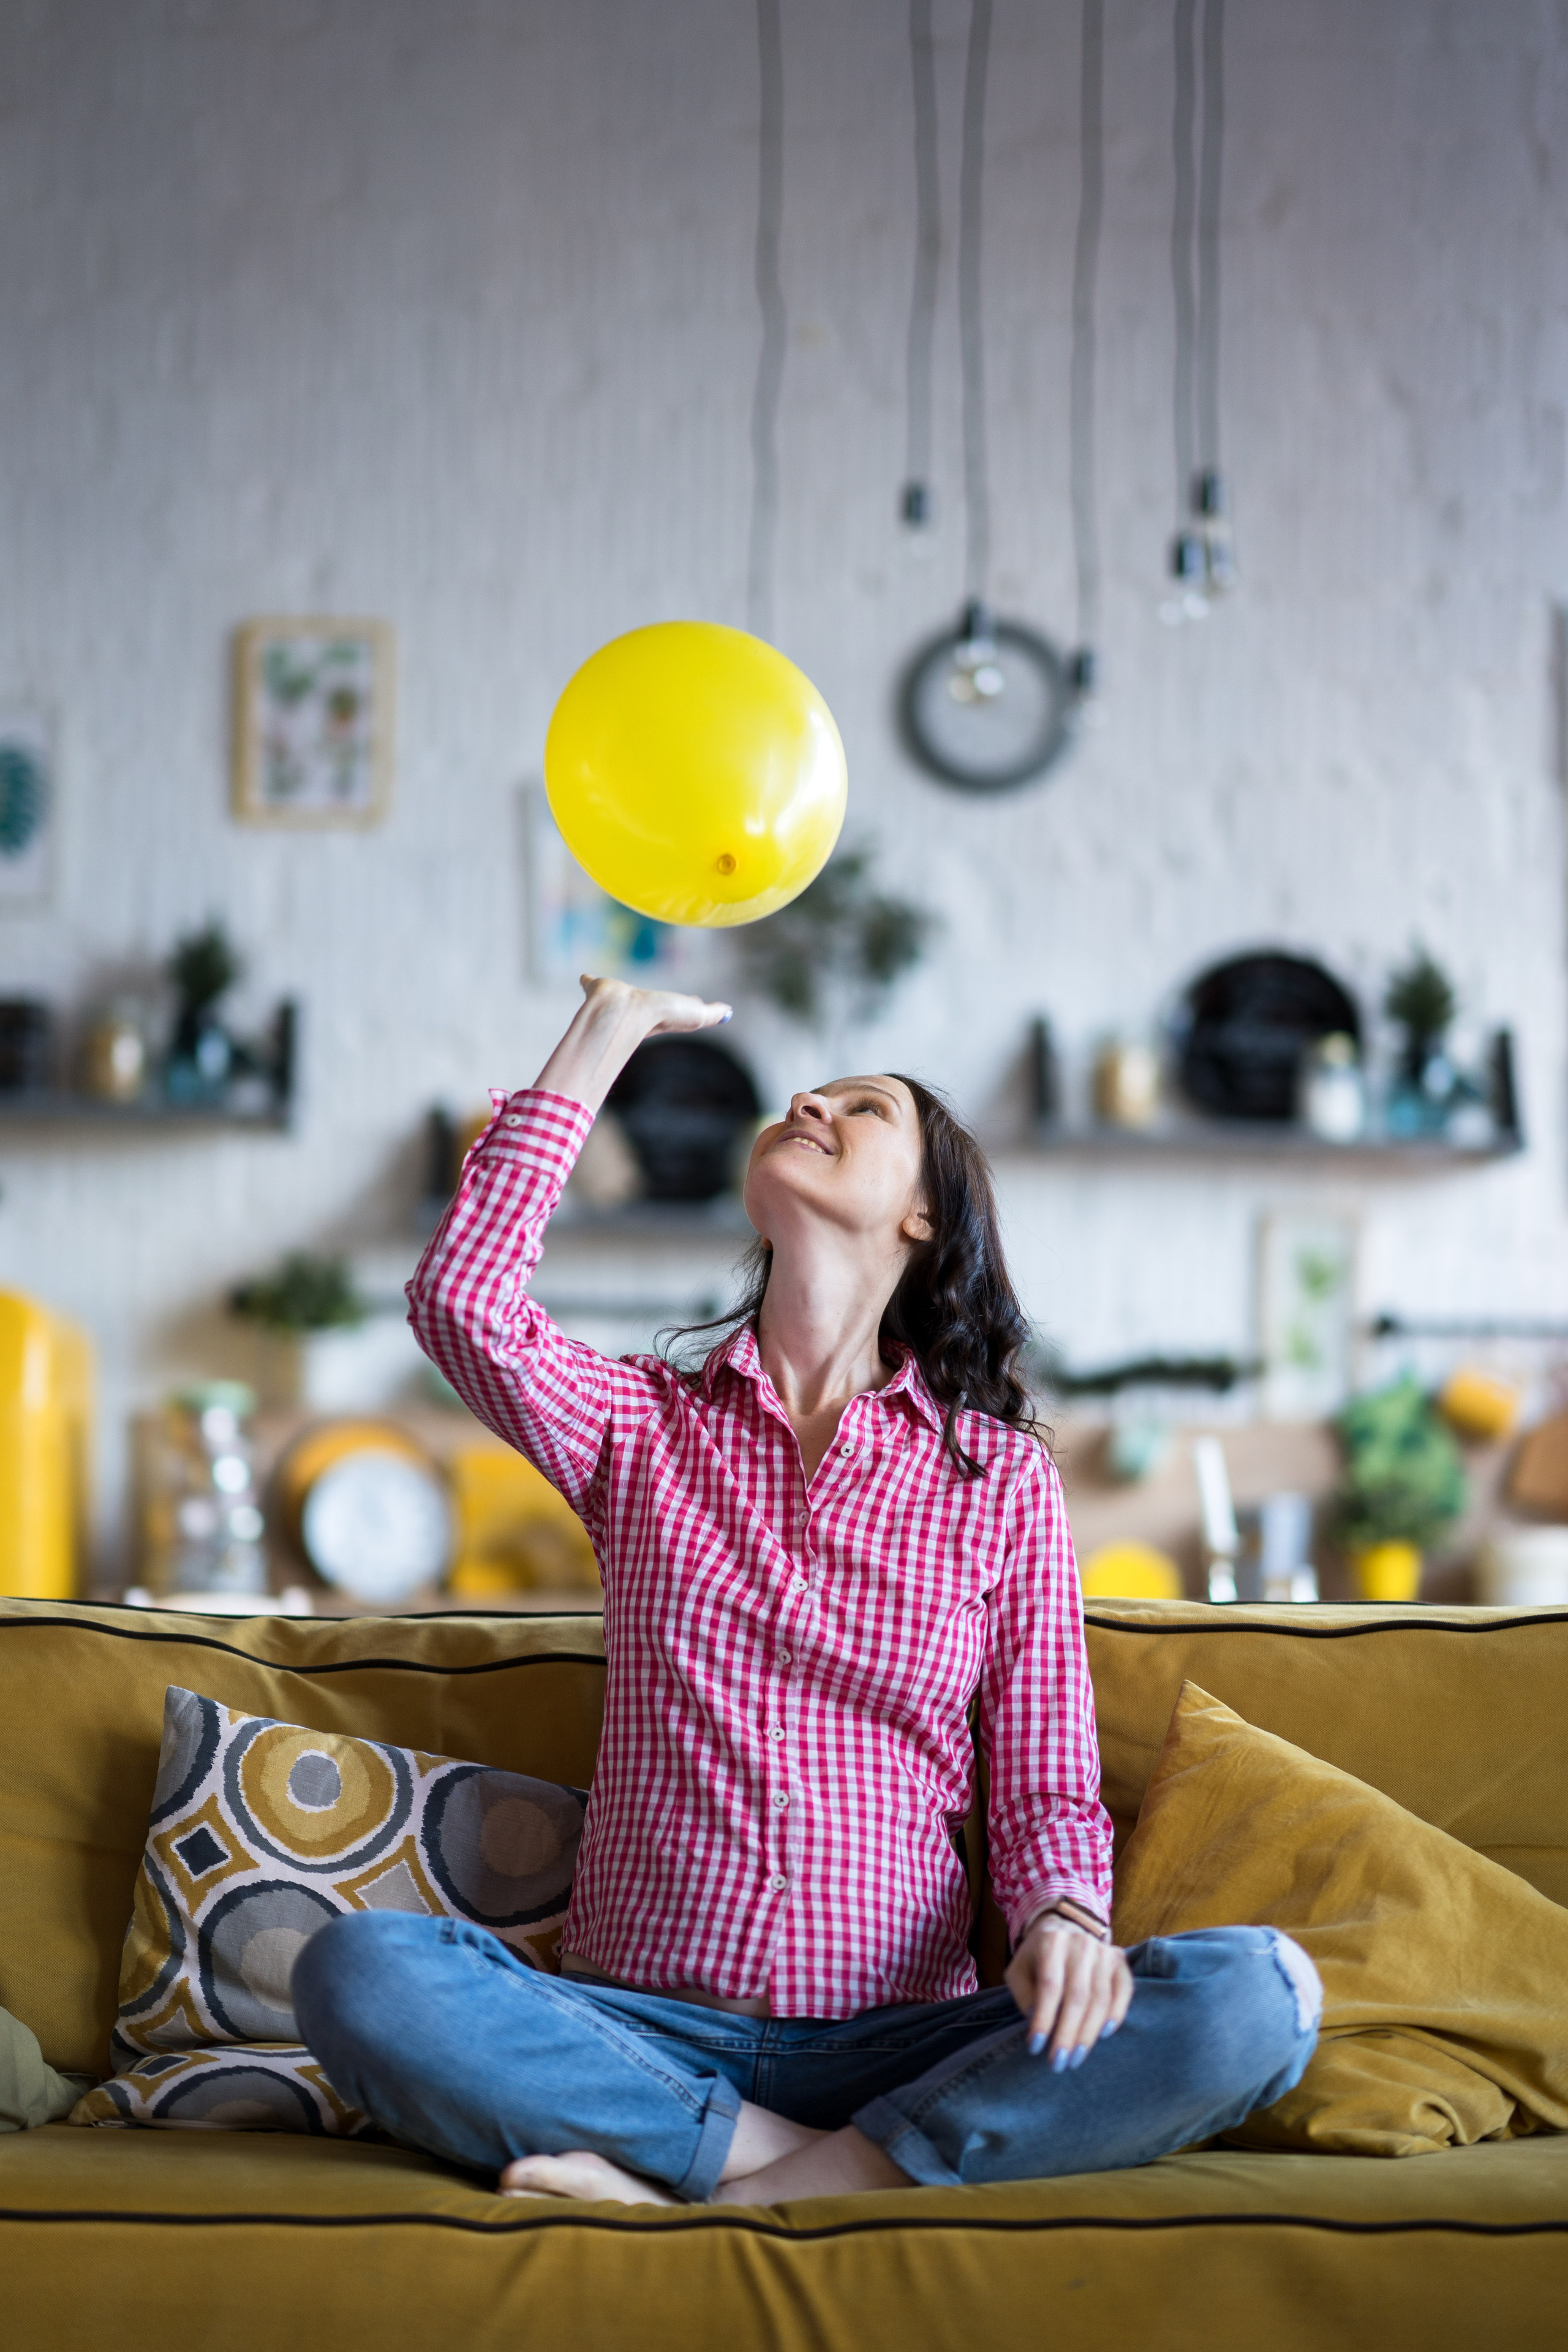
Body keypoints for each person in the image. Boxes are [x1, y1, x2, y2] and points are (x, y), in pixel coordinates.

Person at [293, 976, 1321, 2206]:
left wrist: (1062, 1922)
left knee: (1259, 1995)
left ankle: (720, 2177)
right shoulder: (641, 1429)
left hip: (904, 2047)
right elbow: (463, 1305)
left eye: (860, 1107)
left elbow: (1043, 1778)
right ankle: (796, 2175)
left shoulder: (997, 1478)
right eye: (807, 1097)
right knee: (359, 1973)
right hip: (640, 2031)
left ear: (929, 1217)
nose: (806, 1103)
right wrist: (604, 1030)